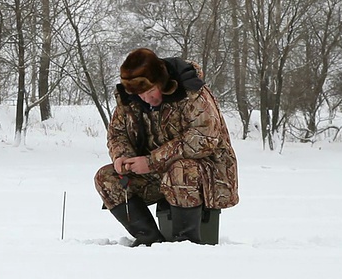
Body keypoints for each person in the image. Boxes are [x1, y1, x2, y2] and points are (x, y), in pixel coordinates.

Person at [95, 48, 239, 246]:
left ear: (161, 81)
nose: (146, 98)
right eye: (140, 94)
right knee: (106, 178)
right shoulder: (130, 100)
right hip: (156, 173)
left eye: (149, 91)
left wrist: (152, 161)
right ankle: (149, 239)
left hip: (206, 174)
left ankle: (185, 243)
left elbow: (204, 138)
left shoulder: (192, 93)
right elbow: (117, 133)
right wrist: (122, 157)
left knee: (180, 171)